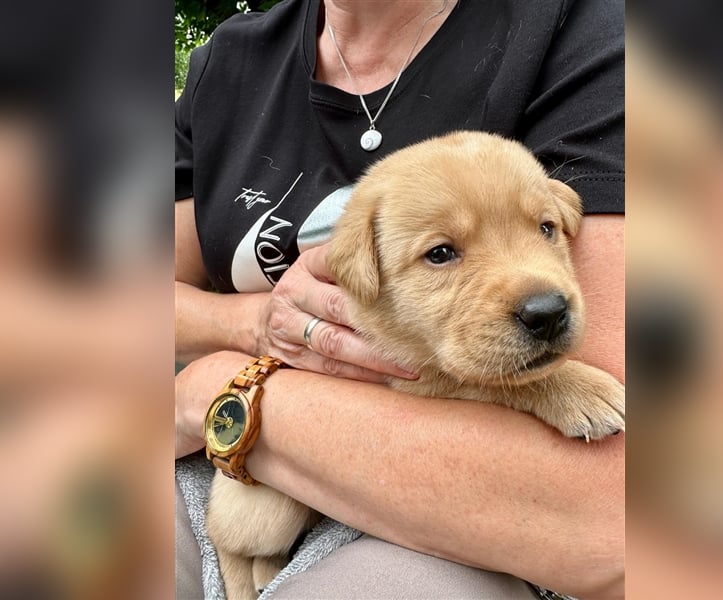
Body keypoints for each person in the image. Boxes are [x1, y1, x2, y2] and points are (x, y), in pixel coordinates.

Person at [175, 1, 624, 599]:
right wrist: (254, 327)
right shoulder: (230, 62)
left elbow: (613, 509)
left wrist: (224, 388)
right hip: (235, 464)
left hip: (470, 513)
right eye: (442, 253)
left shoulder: (585, 31)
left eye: (544, 228)